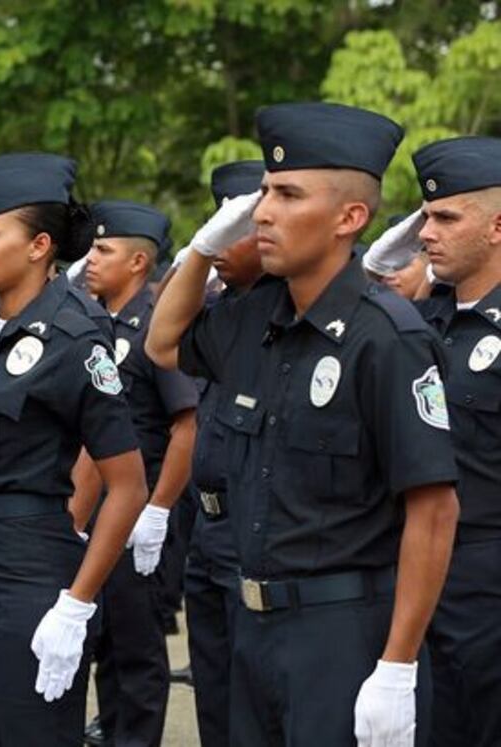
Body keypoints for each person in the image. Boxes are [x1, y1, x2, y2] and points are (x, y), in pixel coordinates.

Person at [146, 101, 461, 747]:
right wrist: (204, 249)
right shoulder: (256, 320)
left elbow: (433, 508)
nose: (262, 212)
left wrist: (397, 664)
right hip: (252, 624)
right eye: (263, 193)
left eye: (288, 194)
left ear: (350, 217)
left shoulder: (386, 338)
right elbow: (163, 341)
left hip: (344, 635)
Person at [0, 152, 148, 745]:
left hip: (30, 565)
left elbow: (127, 484)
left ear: (39, 246)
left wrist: (77, 602)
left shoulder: (75, 334)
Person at [81, 199, 197, 747]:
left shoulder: (153, 330)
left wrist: (158, 511)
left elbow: (186, 425)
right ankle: (112, 731)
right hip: (98, 506)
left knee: (136, 647)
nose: (90, 259)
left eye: (104, 249)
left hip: (139, 511)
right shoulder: (91, 325)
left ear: (137, 263)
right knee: (102, 636)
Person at [406, 135, 501, 746]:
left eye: (445, 217)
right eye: (424, 217)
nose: (424, 233)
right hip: (415, 576)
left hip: (487, 588)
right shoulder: (422, 320)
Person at [179, 159, 265, 747]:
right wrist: (200, 251)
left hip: (255, 530)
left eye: (239, 222)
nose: (222, 239)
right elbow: (165, 339)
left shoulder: (290, 316)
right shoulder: (219, 313)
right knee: (213, 696)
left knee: (255, 708)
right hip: (207, 532)